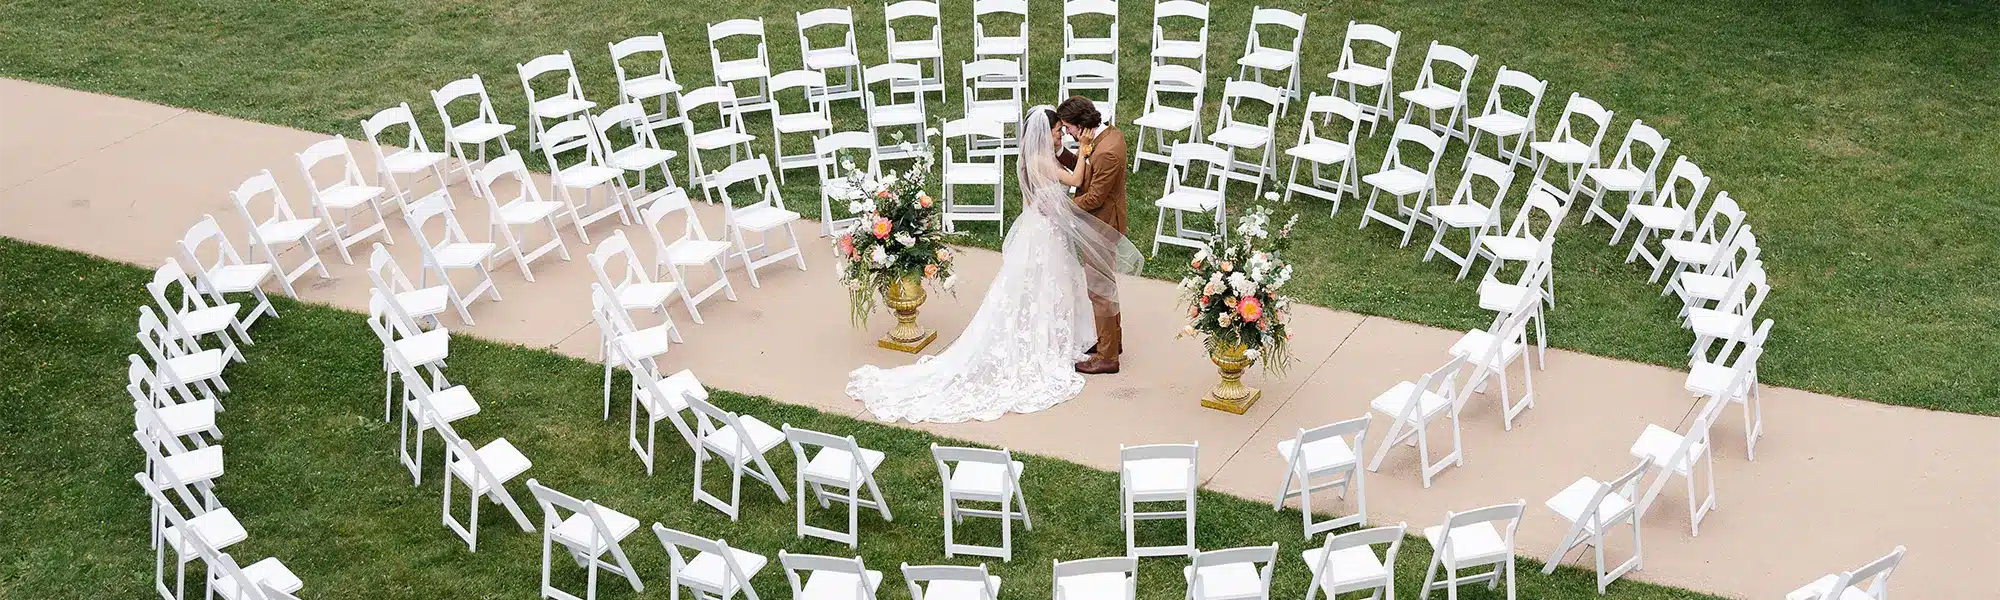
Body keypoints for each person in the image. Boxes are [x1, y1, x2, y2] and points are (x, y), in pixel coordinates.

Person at [846, 105, 1143, 423]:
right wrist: (1080, 158)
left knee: (1072, 284)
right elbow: (1076, 179)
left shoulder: (1076, 151)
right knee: (1054, 284)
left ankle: (1104, 345)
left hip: (1057, 227)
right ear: (1046, 133)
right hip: (1046, 230)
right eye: (1059, 131)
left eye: (1065, 130)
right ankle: (1087, 343)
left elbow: (1088, 191)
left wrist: (1071, 173)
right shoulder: (1049, 157)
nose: (1063, 136)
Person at [1053, 96, 1130, 374]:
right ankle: (1112, 341)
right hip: (1101, 223)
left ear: (1080, 125)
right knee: (1105, 286)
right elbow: (1088, 171)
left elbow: (1095, 196)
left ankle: (1107, 357)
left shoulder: (1107, 150)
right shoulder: (1107, 137)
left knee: (1099, 290)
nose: (1067, 133)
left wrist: (1059, 208)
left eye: (1068, 128)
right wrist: (1064, 153)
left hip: (1101, 225)